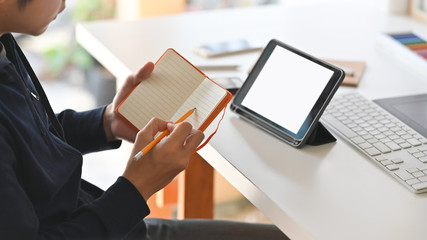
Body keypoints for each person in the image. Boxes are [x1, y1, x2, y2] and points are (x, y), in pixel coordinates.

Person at [0, 0, 289, 239]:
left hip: (104, 221)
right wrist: (135, 188)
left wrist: (108, 122)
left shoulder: (4, 41)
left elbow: (27, 139)